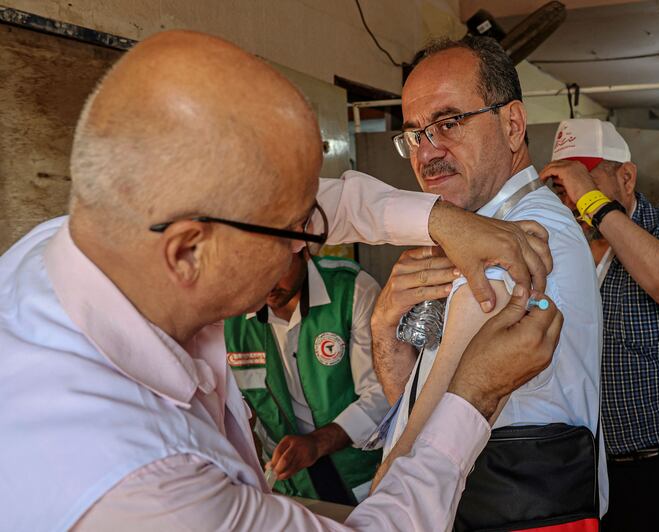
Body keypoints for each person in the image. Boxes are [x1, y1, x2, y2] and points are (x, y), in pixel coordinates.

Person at [0, 30, 564, 531]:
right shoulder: (137, 481)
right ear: (191, 251)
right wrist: (474, 393)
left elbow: (324, 202)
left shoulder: (95, 237)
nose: (309, 242)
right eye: (295, 229)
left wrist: (441, 219)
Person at [371, 37, 606, 531]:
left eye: (448, 123)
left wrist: (383, 496)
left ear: (513, 125)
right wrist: (382, 327)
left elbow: (435, 420)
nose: (427, 152)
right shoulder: (474, 232)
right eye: (414, 134)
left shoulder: (530, 236)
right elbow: (418, 395)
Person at [542, 118, 659, 532]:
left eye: (583, 180)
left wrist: (595, 205)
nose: (572, 198)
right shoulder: (559, 246)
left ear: (626, 176)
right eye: (562, 186)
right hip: (578, 465)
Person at [225, 248, 386, 504]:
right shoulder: (228, 318)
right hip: (288, 489)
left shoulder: (352, 289)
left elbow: (383, 395)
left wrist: (317, 443)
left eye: (276, 268)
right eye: (254, 270)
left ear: (303, 250)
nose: (266, 283)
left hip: (366, 477)